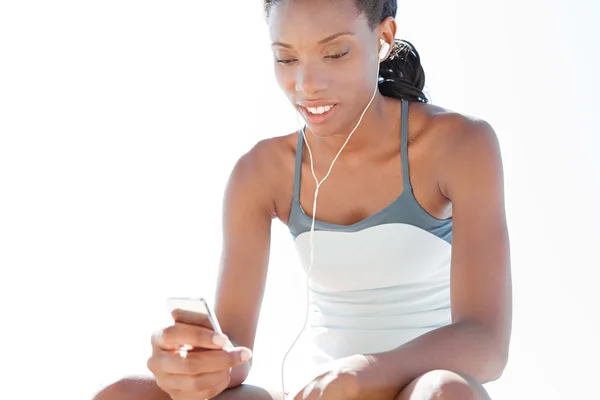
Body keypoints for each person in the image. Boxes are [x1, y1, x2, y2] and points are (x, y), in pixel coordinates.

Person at [94, 0, 512, 399]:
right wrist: (193, 363)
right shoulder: (260, 173)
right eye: (286, 58)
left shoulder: (459, 145)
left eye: (335, 53)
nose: (307, 86)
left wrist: (364, 373)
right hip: (313, 393)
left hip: (424, 389)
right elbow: (235, 356)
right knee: (121, 395)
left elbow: (486, 343)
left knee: (447, 392)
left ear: (383, 38)